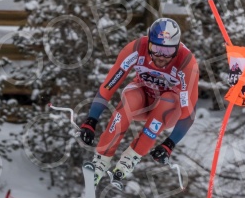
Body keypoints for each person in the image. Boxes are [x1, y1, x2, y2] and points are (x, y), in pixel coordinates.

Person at [77, 18, 199, 187]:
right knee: (130, 98)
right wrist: (91, 120)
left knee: (168, 100)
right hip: (143, 98)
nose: (161, 56)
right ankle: (100, 161)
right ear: (148, 43)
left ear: (177, 48)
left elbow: (188, 113)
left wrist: (169, 144)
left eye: (167, 51)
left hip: (169, 110)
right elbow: (109, 85)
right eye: (156, 49)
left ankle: (130, 159)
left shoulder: (187, 63)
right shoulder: (136, 49)